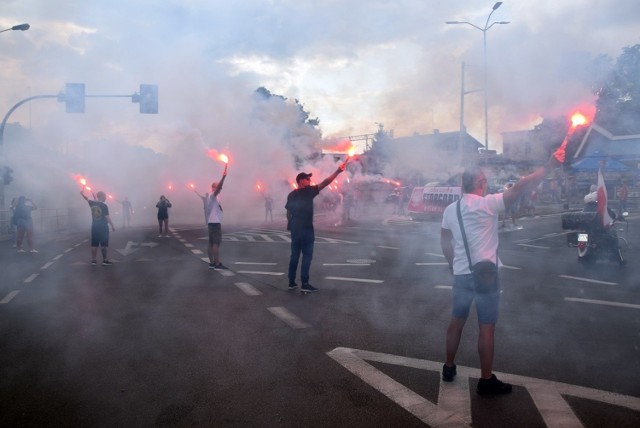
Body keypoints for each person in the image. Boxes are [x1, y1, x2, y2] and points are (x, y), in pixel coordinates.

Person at [440, 150, 561, 395]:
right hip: (486, 276)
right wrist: (547, 167)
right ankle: (485, 380)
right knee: (486, 327)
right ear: (480, 183)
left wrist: (453, 264)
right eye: (484, 180)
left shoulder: (450, 210)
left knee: (456, 322)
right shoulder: (488, 204)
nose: (486, 183)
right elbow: (521, 186)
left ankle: (449, 367)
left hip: (462, 274)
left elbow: (445, 241)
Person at [286, 162, 347, 293]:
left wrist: (290, 224)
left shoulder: (291, 194)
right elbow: (325, 183)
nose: (310, 180)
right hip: (306, 230)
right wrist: (337, 171)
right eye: (308, 179)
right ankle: (305, 283)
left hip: (295, 230)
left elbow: (288, 212)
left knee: (294, 256)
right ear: (301, 181)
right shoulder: (308, 191)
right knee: (307, 256)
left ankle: (291, 282)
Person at [81, 190, 116, 266]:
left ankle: (93, 260)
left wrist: (82, 194)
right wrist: (112, 225)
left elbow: (86, 198)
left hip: (94, 226)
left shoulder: (92, 203)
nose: (105, 197)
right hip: (103, 227)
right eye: (104, 196)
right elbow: (107, 217)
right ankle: (105, 260)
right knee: (104, 244)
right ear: (100, 196)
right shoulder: (104, 205)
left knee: (94, 244)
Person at [205, 163, 228, 269]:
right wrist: (223, 177)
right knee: (215, 243)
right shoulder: (213, 195)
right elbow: (219, 188)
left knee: (211, 243)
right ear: (213, 188)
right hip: (214, 222)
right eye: (218, 186)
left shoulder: (213, 197)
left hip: (211, 222)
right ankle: (217, 263)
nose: (220, 188)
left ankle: (212, 262)